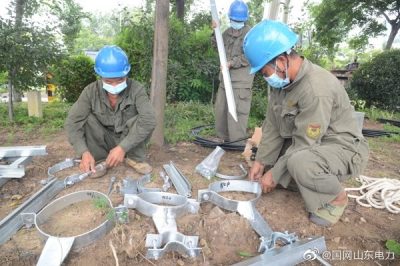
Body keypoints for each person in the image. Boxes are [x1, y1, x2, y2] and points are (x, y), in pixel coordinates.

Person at [243, 20, 369, 226]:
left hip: (342, 147)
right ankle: (306, 179)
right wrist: (261, 162)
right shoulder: (282, 84)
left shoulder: (316, 88)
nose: (266, 78)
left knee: (298, 163)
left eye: (265, 73)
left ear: (282, 61)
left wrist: (274, 175)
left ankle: (337, 197)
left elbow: (305, 143)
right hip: (315, 143)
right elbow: (273, 126)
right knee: (277, 164)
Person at [65, 45, 156, 175]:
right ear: (100, 76)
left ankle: (133, 158)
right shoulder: (90, 91)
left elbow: (149, 120)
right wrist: (83, 152)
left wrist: (122, 147)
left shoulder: (137, 89)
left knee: (145, 118)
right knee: (87, 119)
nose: (114, 86)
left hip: (129, 139)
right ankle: (99, 161)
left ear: (126, 74)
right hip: (103, 139)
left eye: (119, 80)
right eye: (109, 81)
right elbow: (72, 122)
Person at [212, 0, 255, 145]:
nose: (236, 22)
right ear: (230, 18)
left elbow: (251, 56)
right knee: (221, 110)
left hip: (240, 83)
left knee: (237, 113)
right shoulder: (227, 33)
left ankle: (237, 144)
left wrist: (232, 63)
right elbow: (216, 47)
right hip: (225, 80)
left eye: (239, 20)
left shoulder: (250, 34)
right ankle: (222, 138)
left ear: (244, 20)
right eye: (234, 20)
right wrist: (215, 31)